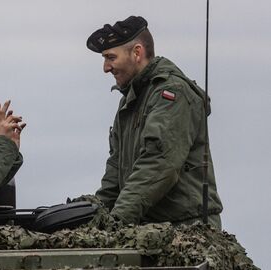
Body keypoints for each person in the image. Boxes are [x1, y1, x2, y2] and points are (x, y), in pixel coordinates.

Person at [87, 16, 223, 227]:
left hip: (184, 231)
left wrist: (117, 221)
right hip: (149, 230)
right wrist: (93, 217)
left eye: (111, 57)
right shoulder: (131, 101)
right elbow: (115, 173)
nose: (106, 67)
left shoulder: (171, 94)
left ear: (137, 52)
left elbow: (159, 163)